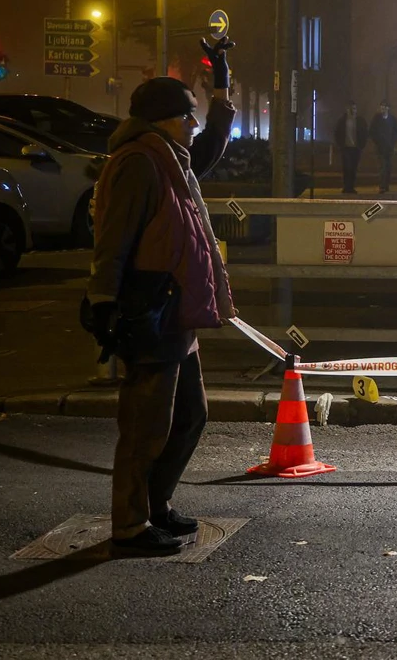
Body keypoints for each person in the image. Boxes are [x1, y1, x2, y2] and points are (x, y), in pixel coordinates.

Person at [86, 37, 237, 557]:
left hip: (177, 312)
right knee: (146, 427)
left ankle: (155, 505)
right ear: (167, 120)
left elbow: (213, 139)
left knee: (190, 415)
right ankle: (129, 526)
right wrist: (104, 299)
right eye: (189, 117)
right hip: (148, 309)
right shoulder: (138, 163)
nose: (195, 125)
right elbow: (113, 239)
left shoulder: (173, 158)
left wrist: (221, 80)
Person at [333, 102, 368, 194]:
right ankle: (346, 186)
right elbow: (337, 133)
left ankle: (351, 186)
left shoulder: (360, 120)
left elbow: (365, 133)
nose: (353, 110)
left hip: (356, 148)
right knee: (347, 167)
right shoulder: (342, 120)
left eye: (354, 108)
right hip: (346, 147)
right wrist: (340, 145)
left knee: (353, 168)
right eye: (351, 108)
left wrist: (362, 145)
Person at [368, 100, 397, 194]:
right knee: (382, 166)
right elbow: (372, 131)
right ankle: (382, 185)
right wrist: (377, 141)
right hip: (379, 147)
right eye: (381, 106)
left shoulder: (392, 119)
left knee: (388, 167)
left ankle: (386, 185)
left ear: (388, 108)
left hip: (389, 147)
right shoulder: (376, 118)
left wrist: (392, 141)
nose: (382, 108)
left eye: (384, 106)